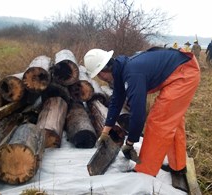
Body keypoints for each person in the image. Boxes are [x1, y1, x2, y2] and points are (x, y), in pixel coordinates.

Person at [83, 48, 200, 177]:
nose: (100, 78)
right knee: (172, 120)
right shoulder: (120, 70)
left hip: (184, 73)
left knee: (159, 122)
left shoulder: (133, 74)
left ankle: (145, 171)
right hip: (182, 68)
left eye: (99, 74)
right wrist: (106, 131)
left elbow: (138, 114)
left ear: (105, 68)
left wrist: (130, 143)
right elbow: (116, 101)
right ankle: (178, 166)